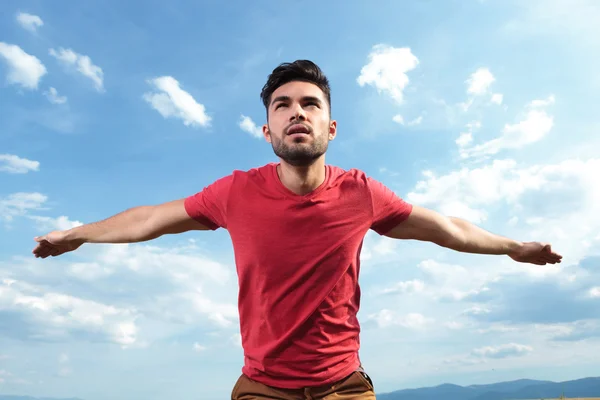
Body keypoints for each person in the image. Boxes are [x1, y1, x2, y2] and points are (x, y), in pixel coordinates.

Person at [32, 60, 563, 400]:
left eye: (310, 103)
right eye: (282, 105)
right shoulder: (233, 193)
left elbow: (448, 229)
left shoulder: (363, 194)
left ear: (330, 126)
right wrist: (79, 233)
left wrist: (514, 247)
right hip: (263, 388)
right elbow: (149, 219)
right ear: (268, 130)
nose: (297, 113)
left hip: (343, 387)